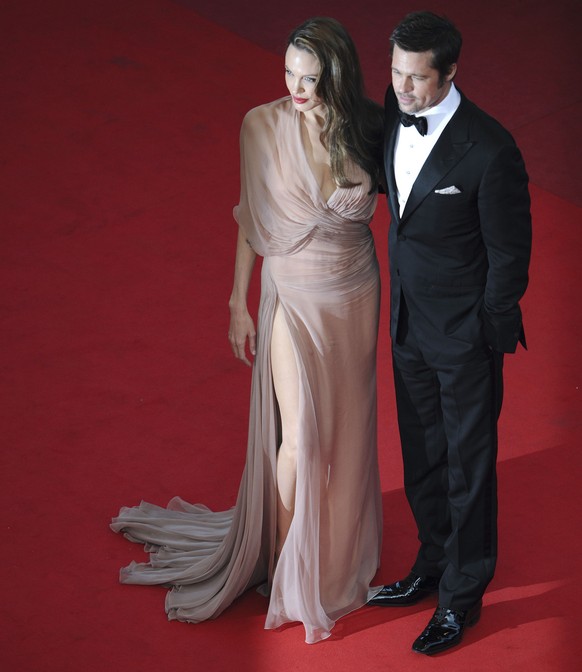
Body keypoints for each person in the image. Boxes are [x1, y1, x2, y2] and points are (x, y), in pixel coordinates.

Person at [111, 17, 385, 644]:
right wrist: (238, 301)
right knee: (300, 440)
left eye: (309, 78)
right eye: (288, 73)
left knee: (345, 428)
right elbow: (249, 213)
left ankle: (334, 548)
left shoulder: (370, 126)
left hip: (355, 293)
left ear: (336, 75)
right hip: (290, 293)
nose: (296, 87)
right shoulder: (261, 125)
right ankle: (284, 562)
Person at [368, 11, 532, 655]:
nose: (403, 89)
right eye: (396, 73)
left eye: (417, 78)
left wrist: (483, 332)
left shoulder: (491, 148)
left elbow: (510, 255)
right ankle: (430, 564)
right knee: (421, 458)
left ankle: (461, 599)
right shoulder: (392, 105)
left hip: (464, 338)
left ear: (451, 72)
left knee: (469, 469)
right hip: (407, 326)